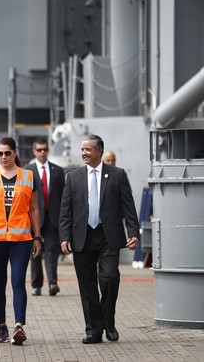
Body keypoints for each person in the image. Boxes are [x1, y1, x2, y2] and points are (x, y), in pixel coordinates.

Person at [59, 134, 139, 344]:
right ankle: (94, 331)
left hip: (107, 236)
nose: (83, 153)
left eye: (87, 149)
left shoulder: (117, 175)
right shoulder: (73, 177)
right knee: (87, 287)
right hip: (82, 237)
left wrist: (133, 232)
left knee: (110, 278)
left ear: (99, 151)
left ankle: (108, 322)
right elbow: (66, 210)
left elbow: (128, 206)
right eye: (82, 149)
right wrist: (64, 236)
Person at [0, 137, 42, 346]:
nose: (3, 157)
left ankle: (19, 326)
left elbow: (35, 209)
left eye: (7, 153)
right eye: (0, 154)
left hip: (21, 239)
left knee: (18, 281)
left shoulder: (29, 176)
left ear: (15, 153)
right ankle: (1, 326)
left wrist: (37, 236)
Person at [25, 138, 65, 297]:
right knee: (35, 252)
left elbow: (63, 196)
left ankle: (53, 283)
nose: (42, 152)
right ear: (34, 151)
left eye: (45, 149)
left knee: (51, 252)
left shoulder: (58, 171)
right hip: (33, 218)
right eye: (39, 149)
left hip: (52, 218)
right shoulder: (27, 171)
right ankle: (36, 285)